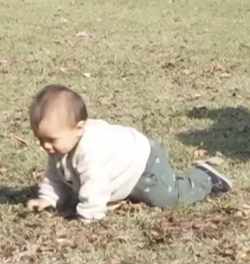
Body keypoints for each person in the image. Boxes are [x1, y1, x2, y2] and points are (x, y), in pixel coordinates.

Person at [24, 85, 232, 222]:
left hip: (144, 161)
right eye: (40, 139)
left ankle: (204, 177)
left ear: (78, 128)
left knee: (166, 197)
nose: (46, 146)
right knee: (136, 194)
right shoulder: (62, 143)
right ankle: (124, 190)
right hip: (123, 167)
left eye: (51, 140)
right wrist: (49, 199)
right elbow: (55, 176)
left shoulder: (93, 149)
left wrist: (88, 215)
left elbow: (95, 183)